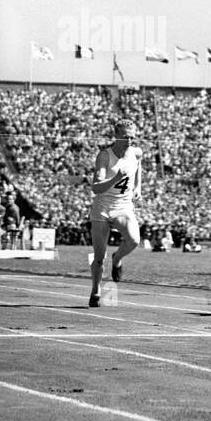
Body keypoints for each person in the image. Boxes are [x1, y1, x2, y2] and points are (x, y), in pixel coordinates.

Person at [85, 119, 143, 308]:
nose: (129, 141)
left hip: (123, 205)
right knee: (99, 256)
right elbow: (96, 187)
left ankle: (117, 259)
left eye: (132, 137)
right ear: (116, 136)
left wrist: (138, 187)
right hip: (102, 206)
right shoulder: (104, 156)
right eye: (125, 137)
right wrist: (114, 179)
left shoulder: (136, 152)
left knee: (134, 240)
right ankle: (95, 291)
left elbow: (138, 165)